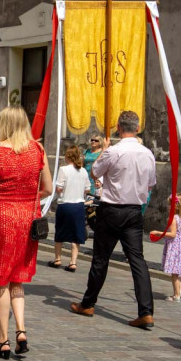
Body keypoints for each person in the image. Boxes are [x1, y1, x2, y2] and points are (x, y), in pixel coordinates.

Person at [0, 107, 52, 359]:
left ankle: (3, 340)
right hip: (26, 219)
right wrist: (27, 198)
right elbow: (48, 188)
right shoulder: (38, 151)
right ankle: (21, 330)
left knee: (1, 280)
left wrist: (6, 196)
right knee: (17, 277)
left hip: (1, 217)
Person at [70, 110, 157, 329]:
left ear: (119, 128)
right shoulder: (147, 153)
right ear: (137, 128)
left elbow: (95, 172)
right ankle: (146, 311)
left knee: (101, 258)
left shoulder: (114, 151)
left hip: (112, 209)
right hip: (134, 210)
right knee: (138, 261)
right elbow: (150, 184)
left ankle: (88, 303)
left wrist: (106, 150)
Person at [50, 146, 90, 272]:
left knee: (60, 232)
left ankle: (58, 259)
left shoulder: (63, 169)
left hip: (65, 204)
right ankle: (73, 262)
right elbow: (88, 189)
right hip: (78, 205)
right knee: (76, 234)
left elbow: (59, 188)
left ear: (68, 156)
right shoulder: (83, 171)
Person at [151, 194, 181, 302]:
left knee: (174, 273)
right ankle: (180, 290)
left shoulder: (174, 218)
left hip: (175, 247)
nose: (168, 206)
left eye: (170, 204)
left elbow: (173, 234)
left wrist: (158, 233)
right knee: (178, 271)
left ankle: (176, 295)